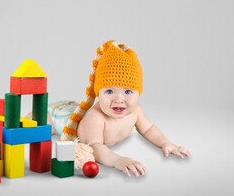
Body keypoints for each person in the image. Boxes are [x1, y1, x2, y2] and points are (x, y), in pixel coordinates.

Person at [57, 40, 191, 177]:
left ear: (139, 93)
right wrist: (117, 160)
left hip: (71, 108)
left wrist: (165, 142)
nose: (119, 100)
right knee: (46, 119)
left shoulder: (136, 111)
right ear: (98, 94)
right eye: (109, 92)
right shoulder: (96, 116)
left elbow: (148, 129)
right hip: (63, 116)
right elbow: (95, 147)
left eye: (128, 92)